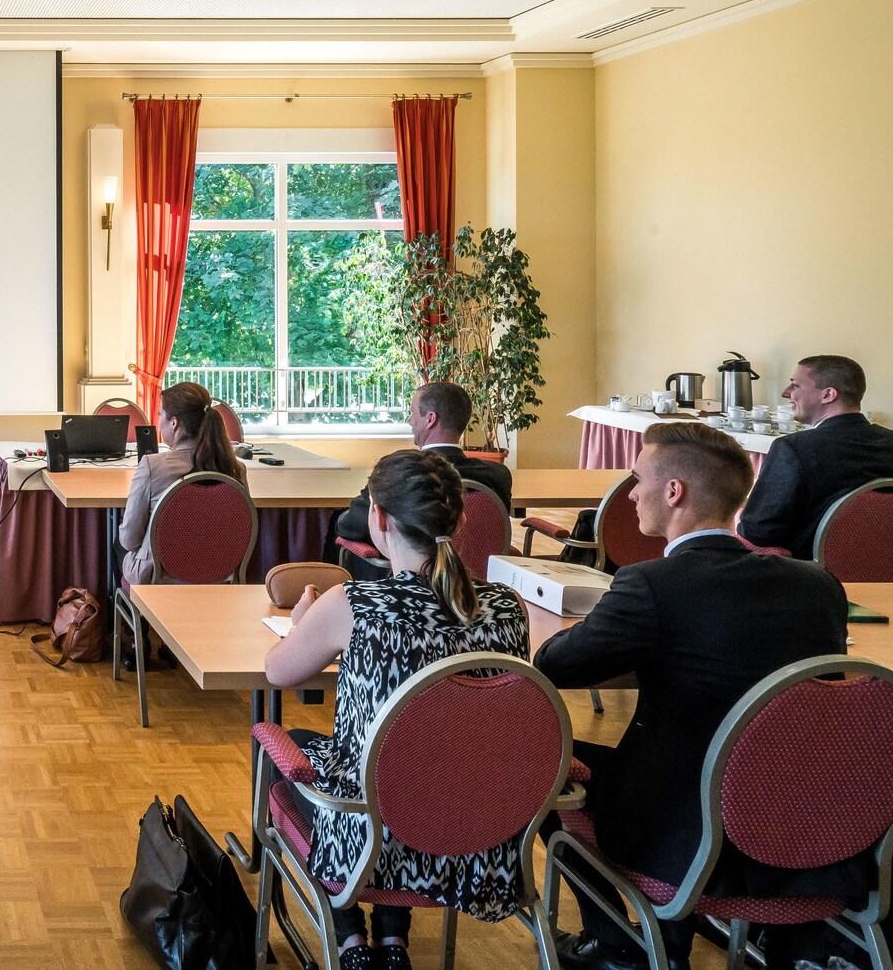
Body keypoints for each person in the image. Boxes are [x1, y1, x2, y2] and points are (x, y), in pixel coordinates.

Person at [535, 422, 854, 970]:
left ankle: (616, 945)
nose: (631, 494)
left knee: (533, 760)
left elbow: (556, 664)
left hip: (688, 831)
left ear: (673, 491)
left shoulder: (651, 585)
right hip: (813, 823)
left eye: (638, 480)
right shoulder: (818, 584)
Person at [266, 449, 531, 970]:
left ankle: (350, 938)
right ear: (458, 519)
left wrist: (305, 623)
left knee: (290, 741)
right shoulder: (507, 606)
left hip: (367, 836)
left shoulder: (354, 604)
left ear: (379, 519)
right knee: (424, 763)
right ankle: (393, 941)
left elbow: (278, 671)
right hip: (475, 837)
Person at [331, 382, 512, 576]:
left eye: (412, 413)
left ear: (430, 419)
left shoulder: (397, 472)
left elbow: (352, 526)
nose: (410, 421)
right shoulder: (498, 475)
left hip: (410, 588)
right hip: (477, 582)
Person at [737, 354, 893, 559]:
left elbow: (759, 532)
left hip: (813, 578)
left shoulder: (794, 449)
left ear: (828, 394)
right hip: (884, 577)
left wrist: (737, 516)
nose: (786, 393)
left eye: (795, 386)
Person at [117, 381, 247, 588]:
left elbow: (130, 540)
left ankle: (127, 618)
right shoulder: (234, 469)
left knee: (119, 545)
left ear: (174, 423)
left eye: (160, 415)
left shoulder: (153, 466)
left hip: (161, 579)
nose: (158, 422)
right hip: (220, 578)